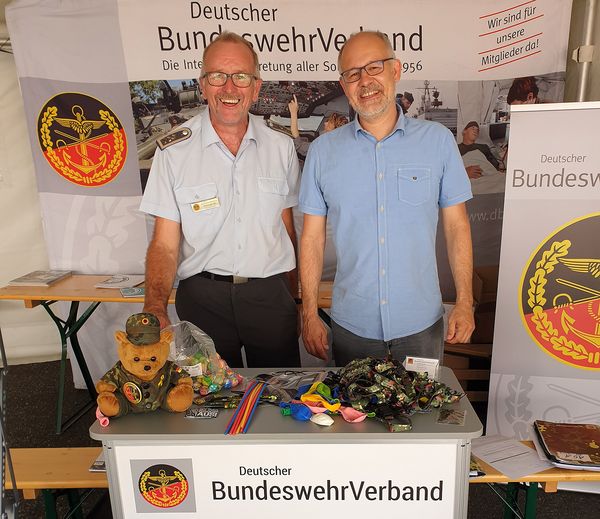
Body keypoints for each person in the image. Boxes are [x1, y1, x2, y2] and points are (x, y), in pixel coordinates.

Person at [299, 31, 475, 366]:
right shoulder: (323, 152)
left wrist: (465, 301)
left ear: (395, 70)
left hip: (421, 326)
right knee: (353, 418)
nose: (365, 81)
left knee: (421, 416)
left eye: (374, 68)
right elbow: (311, 238)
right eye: (353, 74)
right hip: (352, 327)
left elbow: (457, 226)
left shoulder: (437, 142)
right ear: (344, 85)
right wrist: (308, 313)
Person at [140, 32, 301, 369]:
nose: (230, 88)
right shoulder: (173, 153)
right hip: (202, 301)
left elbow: (287, 229)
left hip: (270, 297)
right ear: (203, 84)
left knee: (279, 402)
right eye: (218, 76)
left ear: (255, 87)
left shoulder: (281, 147)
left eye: (241, 77)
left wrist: (294, 296)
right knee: (207, 407)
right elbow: (165, 245)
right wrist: (154, 305)